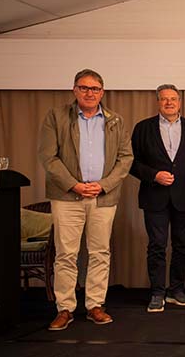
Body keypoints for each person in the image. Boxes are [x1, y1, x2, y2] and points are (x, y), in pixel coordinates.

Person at [39, 69, 133, 330]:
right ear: (74, 90)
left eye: (94, 88)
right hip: (67, 196)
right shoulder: (56, 116)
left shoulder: (115, 120)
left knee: (100, 252)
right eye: (84, 87)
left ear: (102, 92)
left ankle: (94, 305)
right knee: (66, 254)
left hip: (103, 197)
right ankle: (65, 308)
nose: (89, 93)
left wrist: (103, 185)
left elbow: (126, 158)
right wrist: (75, 185)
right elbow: (48, 157)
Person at [130, 84, 185, 313]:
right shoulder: (143, 128)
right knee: (157, 246)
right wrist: (153, 175)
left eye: (173, 99)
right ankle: (157, 292)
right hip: (154, 196)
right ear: (158, 102)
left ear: (179, 102)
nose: (169, 103)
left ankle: (176, 290)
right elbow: (130, 162)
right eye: (164, 99)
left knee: (182, 245)